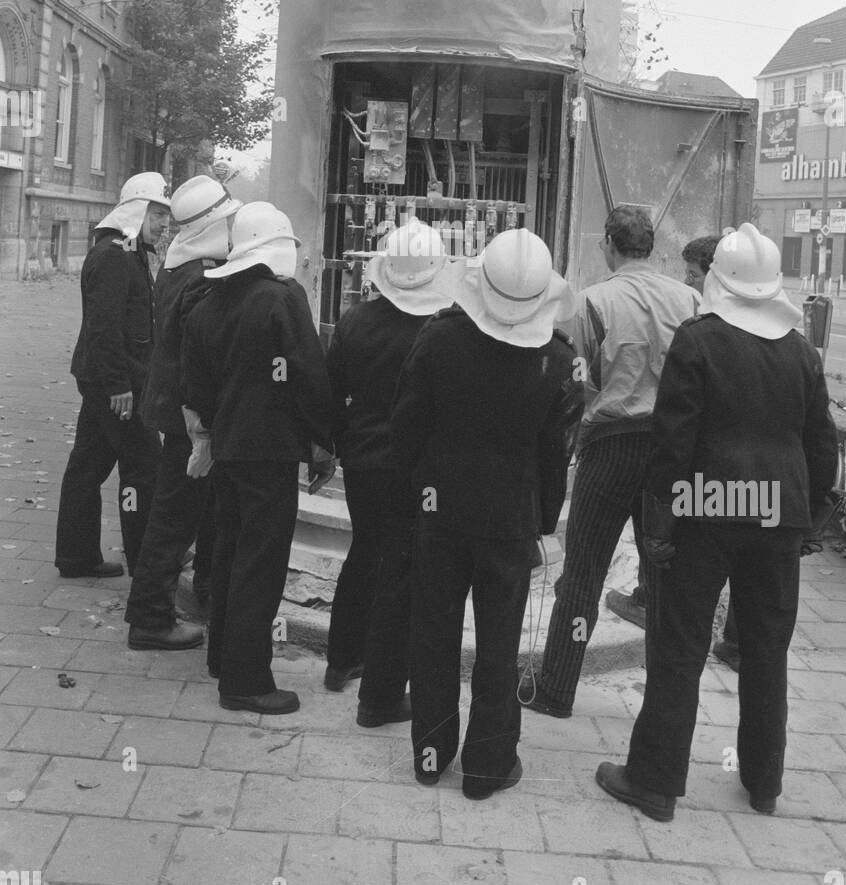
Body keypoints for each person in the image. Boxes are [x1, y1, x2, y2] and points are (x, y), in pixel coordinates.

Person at [595, 223, 837, 821]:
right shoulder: (801, 351)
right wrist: (809, 523)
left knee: (679, 645)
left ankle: (654, 780)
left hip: (709, 508)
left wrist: (659, 522)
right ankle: (764, 781)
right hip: (778, 512)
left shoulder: (698, 342)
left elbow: (673, 443)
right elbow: (821, 444)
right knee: (765, 648)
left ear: (719, 281)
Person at [391, 228, 582, 798]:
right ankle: (486, 768)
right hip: (510, 517)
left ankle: (430, 756)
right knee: (500, 643)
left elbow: (407, 426)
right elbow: (557, 452)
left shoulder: (440, 336)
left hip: (441, 506)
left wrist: (416, 491)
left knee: (433, 631)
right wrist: (544, 521)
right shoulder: (557, 357)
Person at [520, 205, 701, 717]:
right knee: (664, 576)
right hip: (671, 452)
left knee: (583, 571)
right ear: (653, 248)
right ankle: (667, 697)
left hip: (611, 446)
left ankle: (556, 687)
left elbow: (575, 381)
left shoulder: (591, 303)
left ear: (608, 244)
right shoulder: (688, 298)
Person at [181, 202, 333, 714]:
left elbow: (195, 386)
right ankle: (246, 680)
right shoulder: (282, 300)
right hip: (270, 450)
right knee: (261, 563)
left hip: (228, 446)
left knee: (228, 549)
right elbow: (308, 375)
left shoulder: (206, 303)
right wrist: (323, 439)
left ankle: (223, 655)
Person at [325, 218, 453, 726]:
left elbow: (332, 391)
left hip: (363, 462)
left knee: (365, 553)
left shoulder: (354, 322)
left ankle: (342, 659)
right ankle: (382, 684)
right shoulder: (440, 328)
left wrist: (334, 447)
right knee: (401, 570)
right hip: (415, 467)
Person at [124, 175, 242, 650]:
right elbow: (201, 357)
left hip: (171, 408)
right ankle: (151, 620)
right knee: (173, 519)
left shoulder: (179, 263)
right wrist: (205, 428)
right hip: (186, 416)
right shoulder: (202, 276)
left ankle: (159, 608)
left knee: (176, 513)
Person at [55, 173, 171, 579]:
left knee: (87, 466)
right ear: (136, 212)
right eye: (157, 215)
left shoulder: (125, 252)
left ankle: (75, 557)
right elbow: (104, 326)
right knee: (144, 469)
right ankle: (144, 561)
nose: (162, 224)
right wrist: (119, 384)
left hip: (105, 377)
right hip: (115, 382)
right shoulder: (115, 255)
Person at [605, 233, 721, 631]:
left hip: (651, 447)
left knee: (665, 546)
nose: (689, 283)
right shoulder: (793, 346)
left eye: (693, 275)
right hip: (762, 494)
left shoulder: (704, 332)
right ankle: (734, 640)